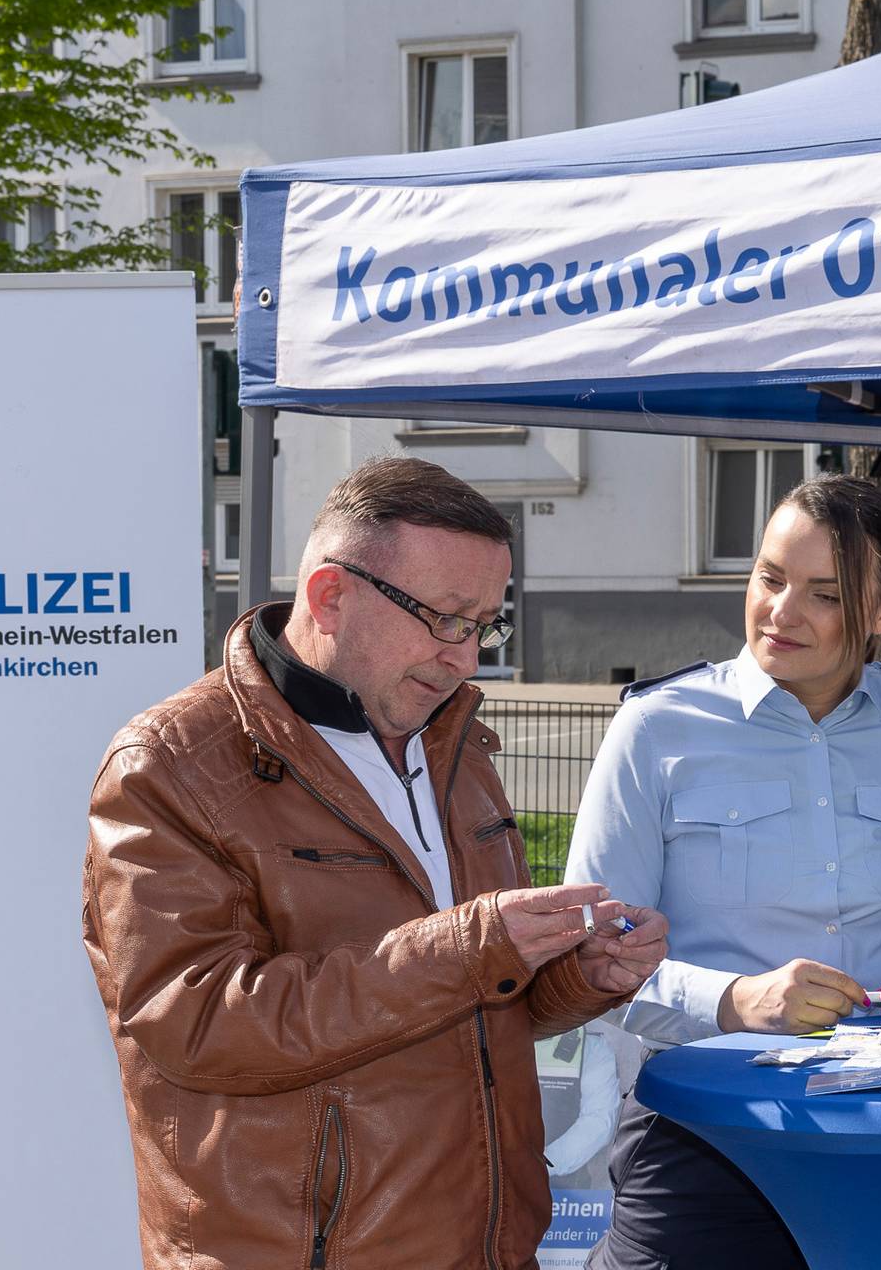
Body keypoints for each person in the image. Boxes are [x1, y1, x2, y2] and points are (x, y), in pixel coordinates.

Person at [82, 456, 667, 1270]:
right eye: (446, 618)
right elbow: (197, 1024)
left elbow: (484, 1006)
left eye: (486, 625)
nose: (467, 659)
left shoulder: (455, 745)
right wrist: (466, 949)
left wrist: (579, 976)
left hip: (491, 1247)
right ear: (330, 596)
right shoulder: (170, 764)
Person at [566, 473, 881, 1270]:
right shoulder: (656, 728)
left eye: (824, 594)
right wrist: (735, 1002)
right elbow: (592, 960)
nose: (780, 612)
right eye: (769, 578)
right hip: (704, 1131)